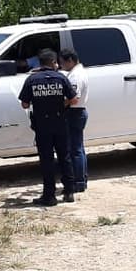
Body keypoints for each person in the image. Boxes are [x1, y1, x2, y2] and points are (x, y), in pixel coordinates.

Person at [19, 48, 78, 206]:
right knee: (65, 157)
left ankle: (49, 196)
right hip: (60, 122)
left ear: (40, 63)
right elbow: (74, 100)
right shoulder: (61, 78)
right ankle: (69, 191)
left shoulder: (32, 80)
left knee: (47, 160)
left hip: (42, 125)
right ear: (53, 62)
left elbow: (24, 104)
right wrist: (60, 104)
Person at [59, 49, 89, 193]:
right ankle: (82, 179)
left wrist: (58, 105)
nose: (61, 65)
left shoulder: (75, 76)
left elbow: (74, 98)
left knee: (74, 150)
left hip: (74, 113)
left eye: (62, 62)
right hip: (78, 112)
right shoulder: (77, 72)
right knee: (79, 148)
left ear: (70, 60)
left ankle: (78, 182)